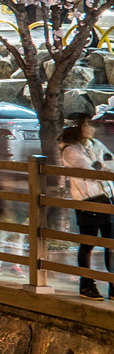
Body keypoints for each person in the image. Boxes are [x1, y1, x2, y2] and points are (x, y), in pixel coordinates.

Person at [59, 117, 114, 298]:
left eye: (90, 124)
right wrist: (102, 166)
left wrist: (101, 166)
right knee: (88, 243)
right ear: (76, 128)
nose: (89, 127)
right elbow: (90, 172)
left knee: (111, 243)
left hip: (107, 196)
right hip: (87, 199)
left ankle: (113, 285)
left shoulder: (96, 144)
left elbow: (110, 163)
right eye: (84, 124)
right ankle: (87, 285)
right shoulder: (70, 150)